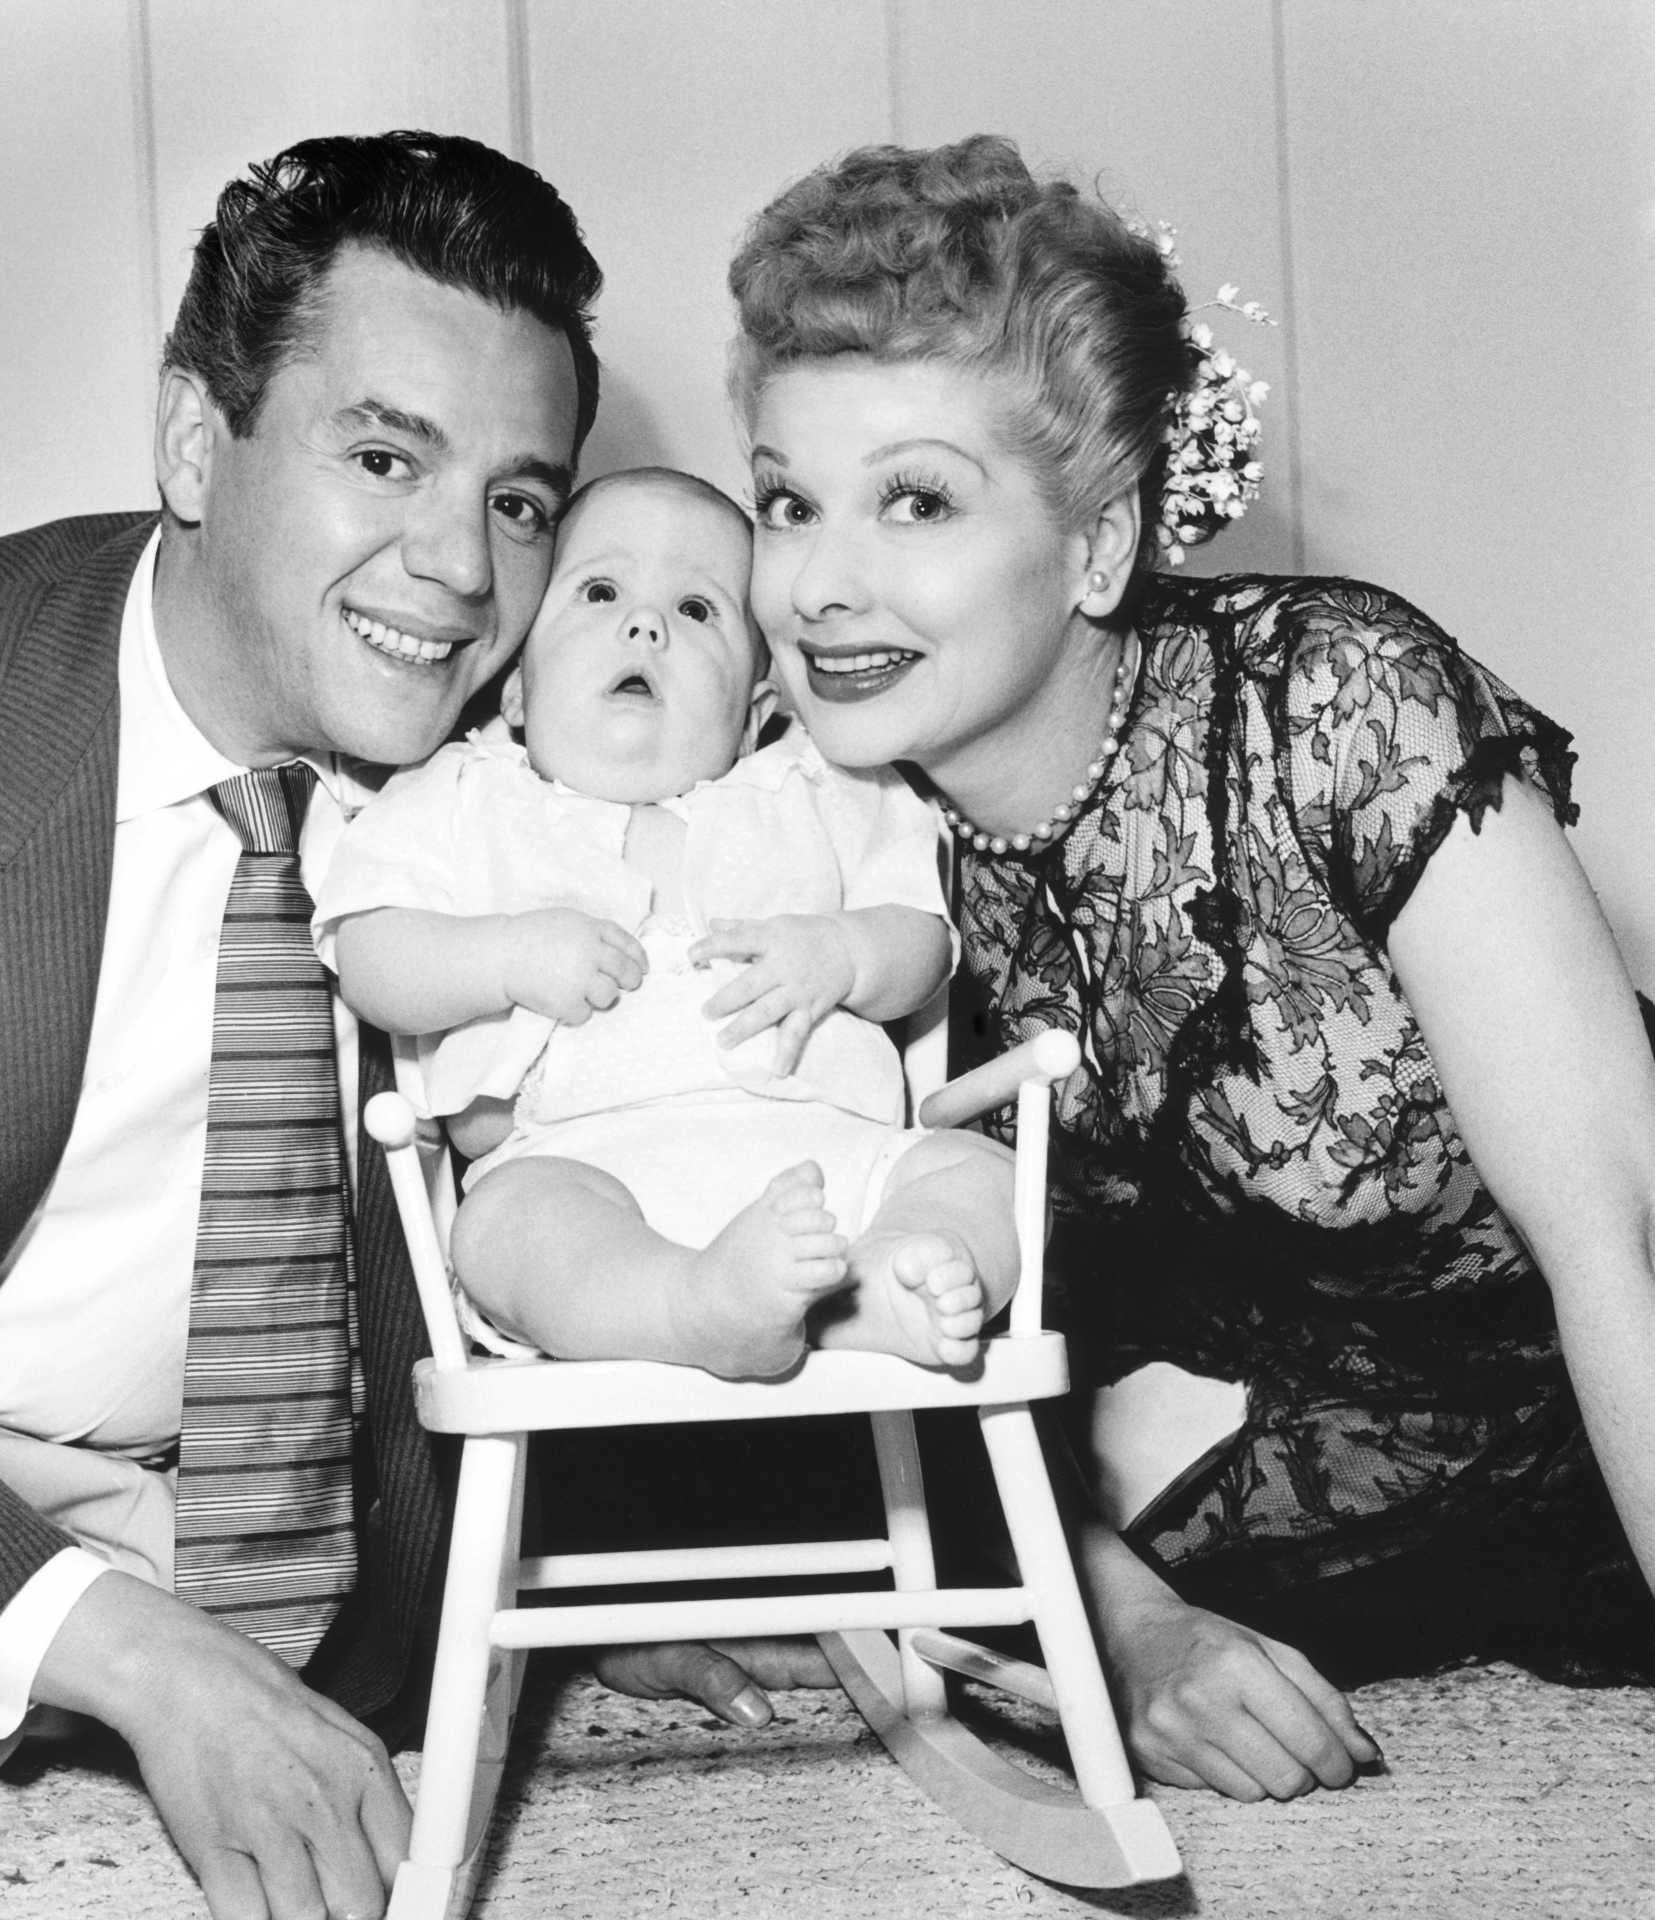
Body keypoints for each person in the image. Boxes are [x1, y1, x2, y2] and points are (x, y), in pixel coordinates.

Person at [708, 132, 1655, 1803]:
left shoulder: (1335, 706)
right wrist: (1130, 1632)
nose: (814, 581)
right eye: (786, 498)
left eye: (911, 499)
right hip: (1351, 1489)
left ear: (1094, 547)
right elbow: (886, 1367)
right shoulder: (810, 838)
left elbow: (1623, 1239)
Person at [0, 129, 604, 1919]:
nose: (458, 569)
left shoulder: (567, 773)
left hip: (292, 1535)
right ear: (192, 446)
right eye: (384, 456)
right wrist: (139, 1660)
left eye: (519, 501)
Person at [316, 466, 1018, 1378]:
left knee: (984, 1180)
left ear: (754, 717)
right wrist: (502, 956)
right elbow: (370, 951)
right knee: (504, 1231)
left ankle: (879, 1283)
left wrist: (841, 953)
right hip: (577, 1162)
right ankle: (692, 1307)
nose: (644, 625)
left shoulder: (817, 787)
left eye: (696, 610)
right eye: (600, 592)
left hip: (836, 1161)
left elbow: (922, 943)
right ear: (519, 695)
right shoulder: (465, 794)